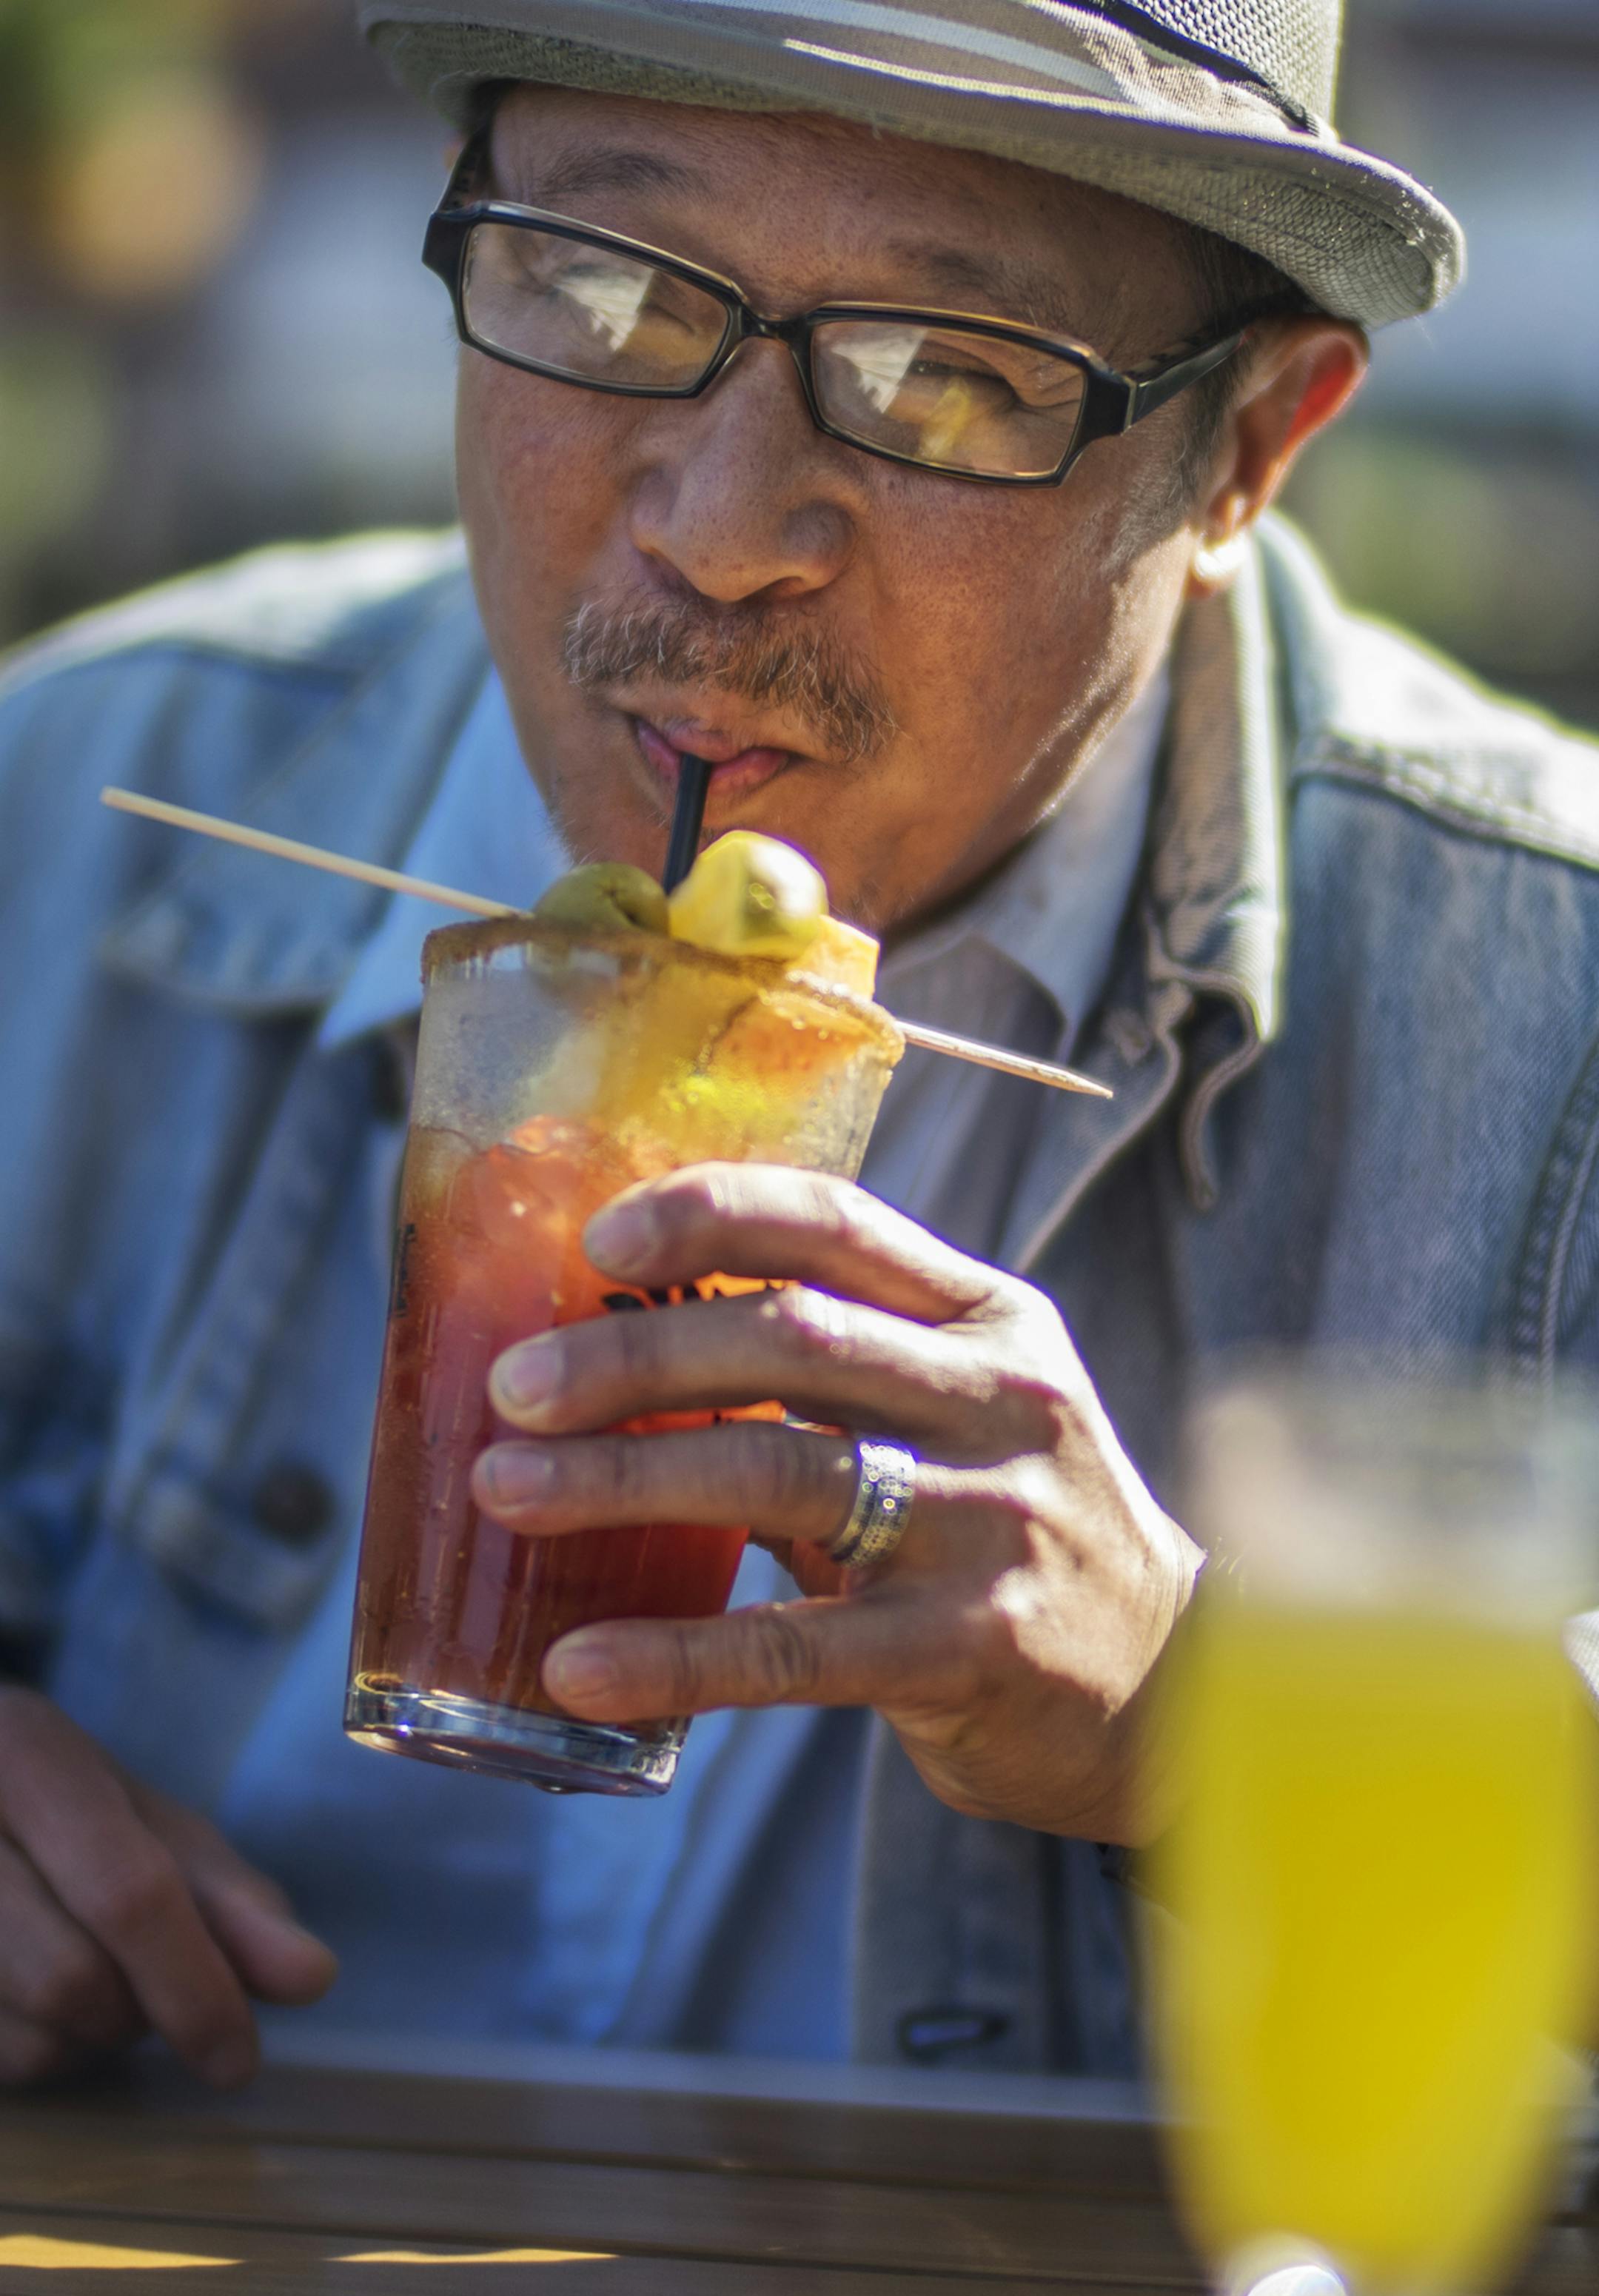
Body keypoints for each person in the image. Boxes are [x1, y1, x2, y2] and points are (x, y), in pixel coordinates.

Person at [0, 0, 1594, 2094]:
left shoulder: (1551, 1022)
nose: (726, 523)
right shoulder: (68, 803)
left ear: (1252, 452)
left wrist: (1218, 1724)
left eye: (950, 379)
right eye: (602, 287)